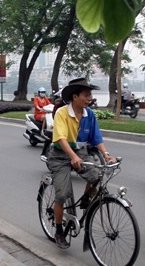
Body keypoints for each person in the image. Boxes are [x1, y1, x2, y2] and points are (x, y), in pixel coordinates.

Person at [48, 77, 114, 249]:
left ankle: (85, 200)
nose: (89, 98)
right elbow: (61, 138)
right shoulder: (62, 113)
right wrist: (73, 157)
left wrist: (106, 154)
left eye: (90, 94)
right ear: (75, 97)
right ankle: (59, 229)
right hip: (60, 155)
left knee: (98, 177)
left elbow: (97, 137)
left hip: (81, 154)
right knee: (62, 194)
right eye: (86, 95)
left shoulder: (89, 115)